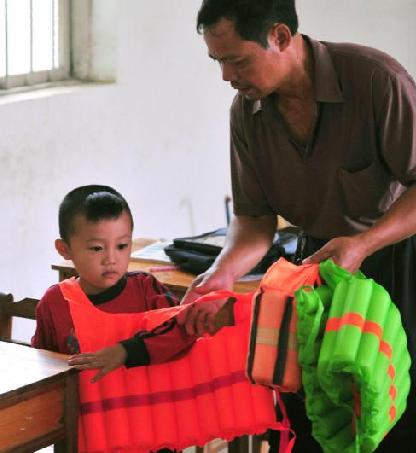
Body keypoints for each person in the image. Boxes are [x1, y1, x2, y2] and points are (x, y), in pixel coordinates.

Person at [178, 1, 416, 451]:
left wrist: (365, 242)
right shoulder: (246, 114)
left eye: (237, 59)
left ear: (281, 37)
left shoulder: (374, 80)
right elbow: (253, 218)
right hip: (314, 272)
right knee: (314, 416)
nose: (227, 76)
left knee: (390, 415)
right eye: (217, 61)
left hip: (397, 261)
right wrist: (224, 273)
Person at [32, 184, 196, 382]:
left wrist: (126, 352)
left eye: (121, 246)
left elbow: (183, 330)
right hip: (83, 409)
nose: (111, 258)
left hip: (144, 407)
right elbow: (44, 366)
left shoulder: (146, 290)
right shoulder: (55, 303)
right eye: (97, 248)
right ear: (65, 249)